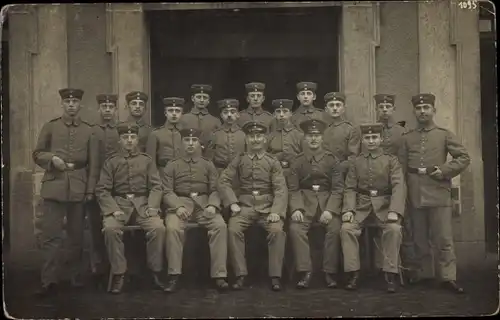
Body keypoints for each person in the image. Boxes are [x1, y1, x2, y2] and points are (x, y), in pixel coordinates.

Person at [399, 93, 470, 294]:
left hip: (438, 191)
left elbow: (463, 157)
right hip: (415, 192)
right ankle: (424, 274)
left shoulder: (444, 134)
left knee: (443, 238)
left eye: (426, 108)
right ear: (414, 112)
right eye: (419, 109)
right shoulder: (407, 138)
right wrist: (403, 194)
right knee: (419, 237)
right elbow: (401, 170)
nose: (422, 111)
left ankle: (448, 277)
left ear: (433, 111)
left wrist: (445, 171)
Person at [32, 88, 99, 296]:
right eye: (68, 101)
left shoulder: (89, 131)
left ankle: (75, 278)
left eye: (75, 102)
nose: (71, 105)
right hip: (54, 186)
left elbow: (94, 165)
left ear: (80, 105)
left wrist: (89, 191)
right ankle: (49, 280)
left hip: (78, 186)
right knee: (50, 235)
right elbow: (37, 153)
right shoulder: (50, 127)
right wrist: (51, 159)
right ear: (62, 104)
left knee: (76, 236)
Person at [95, 122, 166, 294]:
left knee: (158, 228)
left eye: (132, 137)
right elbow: (102, 189)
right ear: (119, 140)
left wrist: (153, 206)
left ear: (137, 140)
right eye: (125, 137)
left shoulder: (146, 161)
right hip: (119, 204)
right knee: (111, 229)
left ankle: (154, 271)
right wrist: (112, 209)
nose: (129, 140)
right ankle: (119, 273)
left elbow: (156, 187)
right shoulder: (111, 162)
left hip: (143, 205)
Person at [218, 121, 288, 291]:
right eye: (252, 136)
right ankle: (240, 274)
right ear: (247, 139)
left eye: (259, 136)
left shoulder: (272, 161)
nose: (255, 139)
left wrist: (276, 211)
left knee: (277, 231)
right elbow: (223, 180)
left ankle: (275, 276)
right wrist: (233, 202)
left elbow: (280, 188)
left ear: (264, 139)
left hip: (268, 207)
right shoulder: (239, 159)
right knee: (233, 229)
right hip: (245, 206)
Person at [340, 123, 405, 293]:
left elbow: (399, 186)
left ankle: (390, 274)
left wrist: (394, 210)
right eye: (367, 138)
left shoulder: (391, 160)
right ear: (362, 140)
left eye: (374, 137)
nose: (371, 141)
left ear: (381, 139)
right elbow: (350, 188)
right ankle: (353, 273)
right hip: (361, 207)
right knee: (347, 228)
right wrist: (348, 209)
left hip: (384, 207)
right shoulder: (356, 162)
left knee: (393, 229)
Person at [162, 128, 229, 293]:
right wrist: (177, 206)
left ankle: (219, 275)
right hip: (180, 203)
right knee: (172, 228)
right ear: (181, 143)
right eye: (187, 140)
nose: (191, 144)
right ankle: (174, 275)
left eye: (194, 141)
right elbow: (166, 191)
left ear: (200, 144)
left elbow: (215, 189)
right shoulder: (172, 165)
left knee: (220, 226)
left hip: (203, 205)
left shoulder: (208, 165)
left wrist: (213, 205)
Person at [288, 119, 344, 289]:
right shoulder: (297, 161)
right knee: (295, 228)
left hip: (327, 202)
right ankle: (305, 271)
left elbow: (338, 188)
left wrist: (330, 210)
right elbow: (293, 189)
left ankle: (329, 271)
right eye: (310, 135)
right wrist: (297, 208)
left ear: (322, 138)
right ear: (304, 138)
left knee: (335, 228)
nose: (313, 139)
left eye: (317, 135)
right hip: (305, 203)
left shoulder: (332, 160)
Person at [88, 93, 120, 278]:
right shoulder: (92, 131)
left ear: (115, 110)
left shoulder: (122, 131)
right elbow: (90, 162)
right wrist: (91, 188)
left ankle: (117, 266)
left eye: (111, 107)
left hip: (118, 187)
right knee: (96, 226)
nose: (107, 110)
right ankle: (98, 266)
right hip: (97, 185)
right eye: (104, 107)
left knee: (116, 226)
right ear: (99, 109)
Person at [322, 92, 360, 173]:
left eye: (338, 105)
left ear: (343, 109)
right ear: (326, 109)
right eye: (331, 105)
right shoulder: (322, 129)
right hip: (323, 170)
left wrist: (339, 167)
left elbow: (353, 156)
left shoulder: (350, 129)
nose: (335, 108)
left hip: (342, 172)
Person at [205, 98, 246, 173]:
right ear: (221, 115)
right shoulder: (215, 134)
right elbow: (209, 159)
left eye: (232, 112)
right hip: (219, 172)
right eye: (225, 112)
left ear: (237, 114)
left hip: (239, 173)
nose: (229, 115)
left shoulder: (244, 134)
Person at [267, 99, 304, 180]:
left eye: (285, 111)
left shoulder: (299, 135)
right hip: (275, 176)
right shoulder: (270, 137)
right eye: (278, 111)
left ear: (291, 113)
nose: (281, 115)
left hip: (296, 176)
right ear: (274, 115)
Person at [146, 97, 185, 172]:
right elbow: (151, 162)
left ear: (182, 114)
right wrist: (156, 181)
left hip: (182, 176)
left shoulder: (185, 134)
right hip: (163, 175)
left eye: (177, 111)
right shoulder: (156, 134)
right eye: (170, 110)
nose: (174, 114)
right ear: (165, 113)